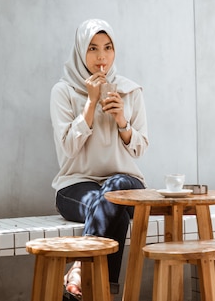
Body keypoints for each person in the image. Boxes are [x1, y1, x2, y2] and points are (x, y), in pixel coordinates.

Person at [50, 18, 149, 300]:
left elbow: (140, 149)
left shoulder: (130, 91)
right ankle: (104, 290)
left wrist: (122, 121)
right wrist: (91, 104)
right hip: (76, 184)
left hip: (125, 182)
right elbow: (69, 147)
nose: (101, 56)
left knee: (115, 190)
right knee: (108, 205)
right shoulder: (63, 92)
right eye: (93, 48)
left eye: (108, 48)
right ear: (81, 51)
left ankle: (80, 268)